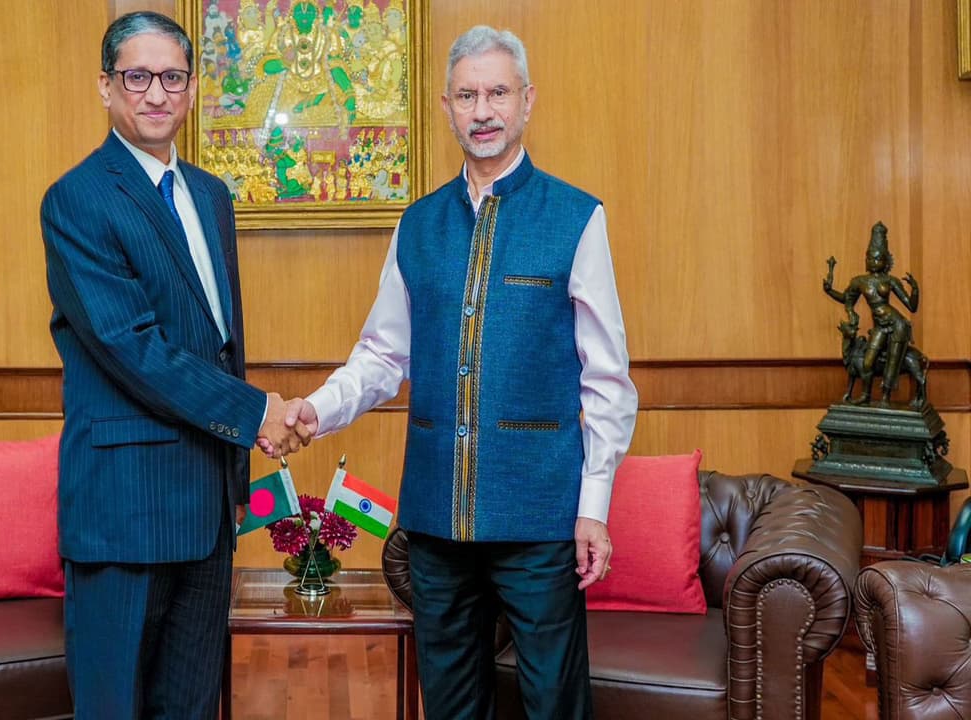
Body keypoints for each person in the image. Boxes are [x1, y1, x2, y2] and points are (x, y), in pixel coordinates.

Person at [279, 26, 638, 719]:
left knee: (553, 704)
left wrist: (592, 509)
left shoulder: (576, 217)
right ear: (446, 106)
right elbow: (383, 356)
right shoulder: (416, 225)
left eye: (498, 93)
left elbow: (608, 382)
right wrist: (316, 411)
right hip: (436, 526)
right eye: (468, 95)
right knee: (449, 704)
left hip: (540, 522)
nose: (483, 111)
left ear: (527, 101)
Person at [39, 12, 308, 719]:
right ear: (106, 87)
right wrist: (259, 414)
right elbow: (132, 347)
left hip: (210, 507)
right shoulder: (78, 199)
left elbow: (217, 341)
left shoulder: (212, 197)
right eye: (137, 76)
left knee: (190, 706)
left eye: (172, 78)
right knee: (115, 707)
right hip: (125, 509)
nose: (155, 94)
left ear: (191, 90)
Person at [822, 221, 920, 406]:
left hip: (897, 324)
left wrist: (915, 290)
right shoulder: (860, 281)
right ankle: (866, 394)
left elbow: (911, 306)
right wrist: (829, 291)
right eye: (870, 258)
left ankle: (885, 397)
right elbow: (846, 298)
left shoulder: (890, 281)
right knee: (868, 362)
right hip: (880, 327)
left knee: (893, 359)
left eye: (878, 258)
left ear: (886, 261)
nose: (873, 262)